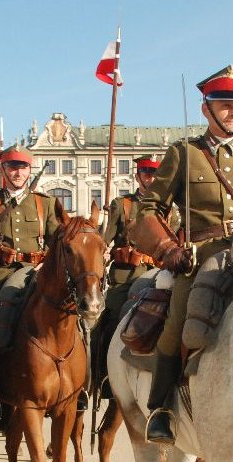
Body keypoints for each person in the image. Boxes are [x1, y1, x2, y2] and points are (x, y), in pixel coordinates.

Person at [130, 64, 233, 442]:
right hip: (202, 257)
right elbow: (147, 210)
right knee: (180, 320)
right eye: (225, 104)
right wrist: (167, 248)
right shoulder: (185, 154)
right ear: (206, 109)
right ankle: (162, 408)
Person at [0, 145, 62, 421]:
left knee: (75, 322)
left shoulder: (44, 203)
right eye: (12, 167)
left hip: (38, 273)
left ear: (30, 170)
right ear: (3, 170)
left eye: (22, 167)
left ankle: (74, 390)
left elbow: (58, 243)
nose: (18, 172)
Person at [94, 154, 164, 396]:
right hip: (124, 277)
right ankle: (103, 376)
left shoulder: (169, 208)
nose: (151, 178)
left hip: (158, 275)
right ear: (138, 177)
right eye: (146, 173)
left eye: (155, 174)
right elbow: (103, 242)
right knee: (109, 319)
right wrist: (102, 244)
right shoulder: (122, 205)